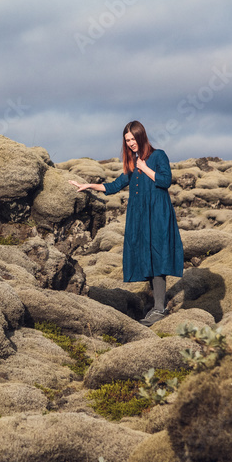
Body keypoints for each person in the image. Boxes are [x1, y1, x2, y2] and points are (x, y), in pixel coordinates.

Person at [70, 120, 183, 326]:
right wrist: (88, 186)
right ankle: (157, 307)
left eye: (132, 139)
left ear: (141, 136)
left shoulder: (158, 156)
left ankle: (160, 308)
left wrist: (144, 167)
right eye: (127, 140)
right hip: (140, 216)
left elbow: (166, 181)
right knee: (147, 258)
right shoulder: (132, 165)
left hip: (157, 214)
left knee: (158, 258)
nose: (130, 143)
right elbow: (113, 186)